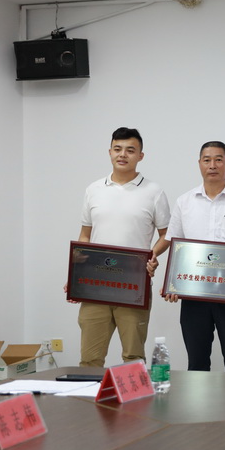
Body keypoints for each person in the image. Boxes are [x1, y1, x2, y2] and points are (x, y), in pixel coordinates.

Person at [71, 127, 170, 367]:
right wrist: (75, 273)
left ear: (140, 156)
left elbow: (167, 234)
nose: (123, 154)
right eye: (118, 149)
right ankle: (91, 393)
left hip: (133, 285)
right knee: (90, 359)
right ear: (110, 152)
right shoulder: (94, 189)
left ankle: (134, 394)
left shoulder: (154, 192)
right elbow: (85, 235)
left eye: (130, 150)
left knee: (133, 358)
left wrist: (152, 256)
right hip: (95, 286)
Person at [164, 141, 225, 372]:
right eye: (207, 160)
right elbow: (176, 246)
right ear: (199, 164)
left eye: (219, 159)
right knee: (197, 362)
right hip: (193, 294)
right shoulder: (184, 201)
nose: (212, 165)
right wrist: (172, 284)